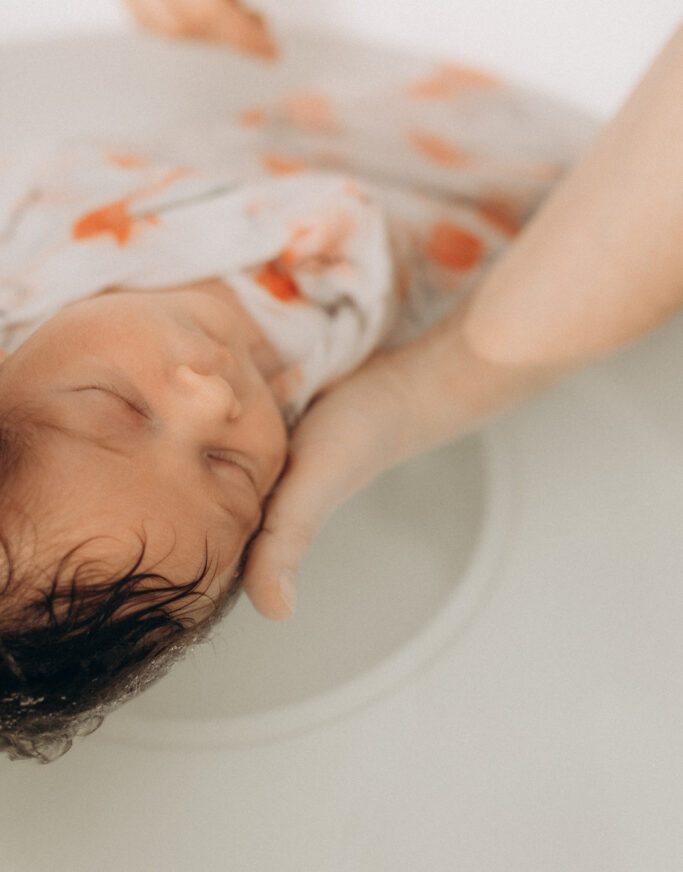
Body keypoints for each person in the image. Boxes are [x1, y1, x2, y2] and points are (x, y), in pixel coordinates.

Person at [0, 9, 680, 762]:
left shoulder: (15, 263)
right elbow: (351, 225)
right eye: (228, 469)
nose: (213, 400)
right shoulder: (324, 351)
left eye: (120, 408)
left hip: (347, 99)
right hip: (532, 166)